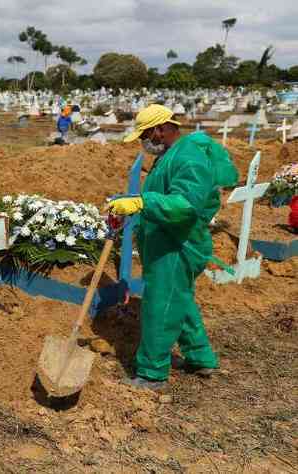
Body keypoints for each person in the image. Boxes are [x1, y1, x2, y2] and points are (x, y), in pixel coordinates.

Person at [107, 104, 238, 390]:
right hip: (166, 241)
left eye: (145, 135)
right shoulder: (170, 155)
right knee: (179, 299)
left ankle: (152, 373)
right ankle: (201, 357)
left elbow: (186, 205)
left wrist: (142, 203)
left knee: (161, 305)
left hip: (179, 245)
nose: (144, 142)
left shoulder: (188, 158)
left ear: (160, 129)